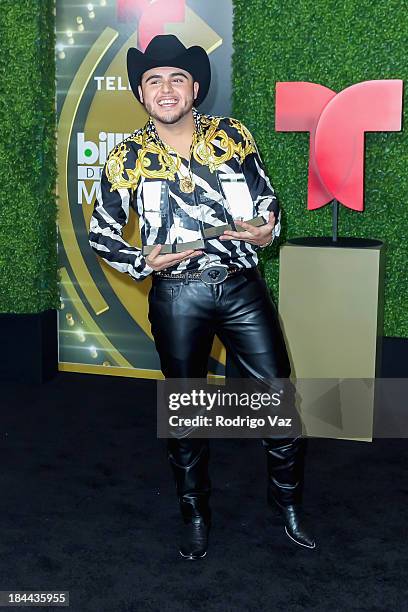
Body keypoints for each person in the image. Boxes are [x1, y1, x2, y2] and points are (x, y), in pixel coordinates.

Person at [88, 34, 315, 560]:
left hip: (240, 287)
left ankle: (287, 505)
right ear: (142, 94)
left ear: (194, 88)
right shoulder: (126, 156)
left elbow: (265, 197)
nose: (165, 89)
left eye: (176, 79)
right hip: (176, 295)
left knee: (278, 398)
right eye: (153, 81)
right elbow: (102, 234)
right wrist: (142, 260)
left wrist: (266, 227)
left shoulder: (232, 135)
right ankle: (195, 512)